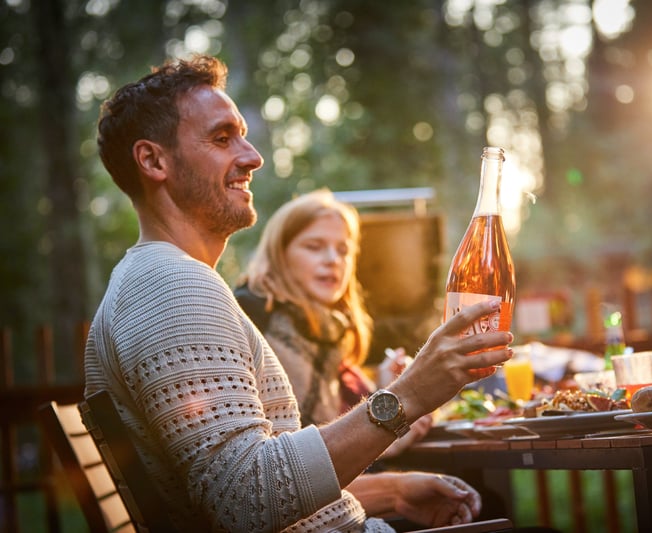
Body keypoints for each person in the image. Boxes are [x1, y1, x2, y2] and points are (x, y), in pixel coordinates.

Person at [83, 54, 514, 532]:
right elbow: (244, 502)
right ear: (153, 160)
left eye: (243, 135)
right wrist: (409, 393)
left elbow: (251, 484)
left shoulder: (159, 280)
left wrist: (390, 489)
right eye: (222, 138)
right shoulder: (171, 287)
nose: (252, 156)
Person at [234, 189, 430, 459]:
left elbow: (349, 415)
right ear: (279, 253)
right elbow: (298, 455)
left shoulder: (330, 332)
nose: (332, 260)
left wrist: (386, 390)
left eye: (343, 250)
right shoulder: (260, 320)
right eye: (314, 247)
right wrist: (391, 430)